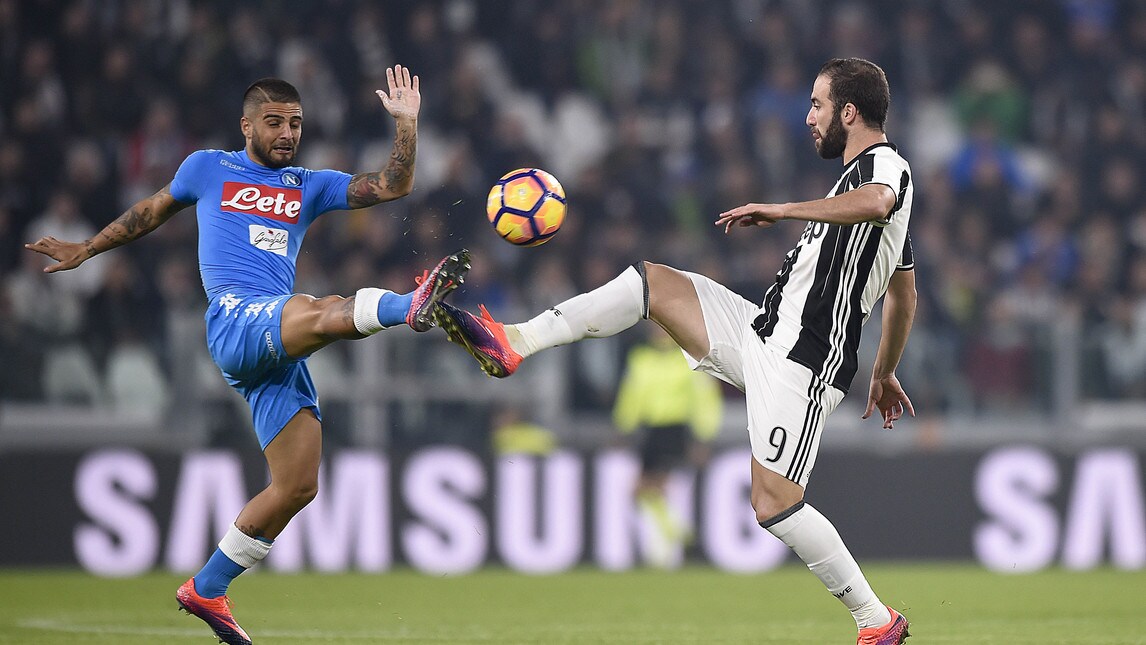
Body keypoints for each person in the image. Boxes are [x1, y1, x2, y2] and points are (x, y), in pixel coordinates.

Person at [435, 58, 915, 645]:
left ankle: (877, 621)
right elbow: (903, 294)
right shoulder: (856, 184)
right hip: (761, 331)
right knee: (651, 284)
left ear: (849, 112)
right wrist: (886, 371)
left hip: (804, 364)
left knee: (773, 503)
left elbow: (877, 206)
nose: (808, 117)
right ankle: (516, 341)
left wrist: (783, 209)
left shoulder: (885, 168)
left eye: (816, 105)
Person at [25, 65, 468, 645]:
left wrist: (406, 124)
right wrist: (87, 248)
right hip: (237, 320)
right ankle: (410, 306)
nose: (288, 132)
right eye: (276, 122)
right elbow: (148, 213)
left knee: (298, 484)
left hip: (278, 347)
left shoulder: (309, 184)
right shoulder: (207, 168)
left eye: (297, 123)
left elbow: (392, 185)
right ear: (247, 125)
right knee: (319, 308)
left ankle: (207, 588)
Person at [612, 324, 722, 568]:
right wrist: (623, 426)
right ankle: (677, 531)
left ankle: (667, 544)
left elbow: (704, 400)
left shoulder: (688, 360)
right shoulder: (640, 358)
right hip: (650, 431)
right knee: (643, 490)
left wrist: (704, 436)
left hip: (675, 429)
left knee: (653, 487)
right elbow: (631, 396)